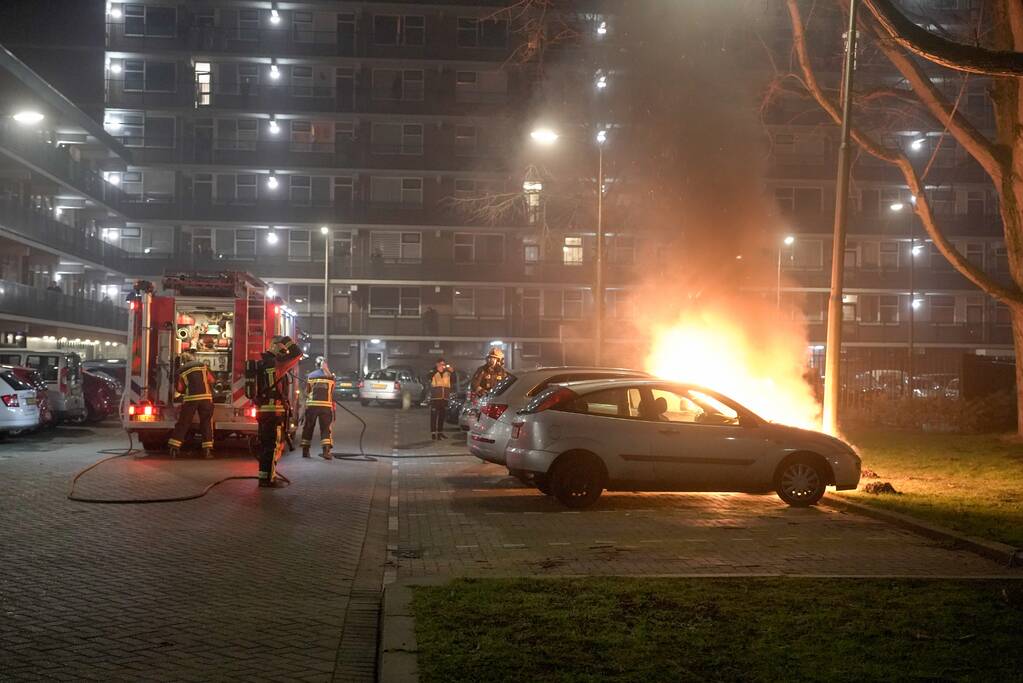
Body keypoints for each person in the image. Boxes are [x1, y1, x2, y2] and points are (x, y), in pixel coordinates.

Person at [254, 335, 303, 488]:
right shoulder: (277, 364)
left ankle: (265, 476)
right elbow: (297, 353)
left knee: (266, 445)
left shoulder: (260, 364)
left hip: (262, 411)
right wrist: (286, 340)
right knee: (272, 446)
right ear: (277, 348)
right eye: (282, 351)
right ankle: (267, 480)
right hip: (273, 412)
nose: (284, 354)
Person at [167, 351, 216, 459]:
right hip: (206, 398)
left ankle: (174, 448)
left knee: (183, 423)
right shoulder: (203, 366)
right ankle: (207, 450)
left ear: (183, 361)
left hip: (191, 399)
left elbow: (179, 389)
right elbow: (212, 380)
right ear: (193, 358)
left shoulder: (181, 371)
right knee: (206, 423)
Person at [301, 361, 335, 460]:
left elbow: (306, 391)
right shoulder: (330, 377)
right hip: (326, 406)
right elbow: (332, 391)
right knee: (325, 429)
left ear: (315, 366)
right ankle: (326, 451)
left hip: (312, 406)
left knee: (308, 427)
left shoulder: (310, 376)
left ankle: (305, 451)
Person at [427, 358, 454, 440]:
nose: (443, 366)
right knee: (434, 416)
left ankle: (440, 433)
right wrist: (436, 370)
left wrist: (452, 372)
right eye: (441, 364)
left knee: (442, 416)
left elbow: (453, 381)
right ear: (437, 364)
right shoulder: (433, 372)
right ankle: (433, 434)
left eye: (443, 364)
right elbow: (428, 377)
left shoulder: (447, 373)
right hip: (435, 398)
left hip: (444, 398)